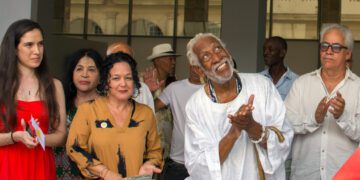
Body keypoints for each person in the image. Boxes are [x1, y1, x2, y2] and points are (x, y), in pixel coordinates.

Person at [184, 33, 293, 180]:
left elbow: (283, 140)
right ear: (198, 69)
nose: (217, 58)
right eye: (206, 56)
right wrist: (234, 132)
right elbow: (197, 166)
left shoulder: (262, 86)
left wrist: (252, 127)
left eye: (218, 49)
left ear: (227, 52)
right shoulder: (196, 106)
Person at [66, 52, 163, 179]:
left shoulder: (145, 113)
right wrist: (104, 172)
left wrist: (149, 164)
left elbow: (155, 151)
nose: (123, 84)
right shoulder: (88, 111)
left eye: (128, 78)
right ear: (106, 82)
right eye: (116, 78)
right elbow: (75, 148)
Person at [285, 23, 360, 180]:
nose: (328, 51)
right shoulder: (302, 84)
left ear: (348, 54)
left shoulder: (358, 87)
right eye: (324, 46)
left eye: (336, 47)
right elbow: (284, 124)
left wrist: (342, 117)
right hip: (305, 174)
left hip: (346, 175)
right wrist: (314, 119)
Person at [0, 19, 66, 180]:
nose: (37, 51)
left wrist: (39, 138)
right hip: (6, 165)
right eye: (29, 45)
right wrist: (15, 136)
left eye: (41, 44)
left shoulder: (54, 85)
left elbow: (61, 136)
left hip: (40, 164)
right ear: (14, 49)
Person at [55, 48, 103, 179]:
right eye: (79, 69)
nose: (85, 74)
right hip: (58, 173)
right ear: (72, 74)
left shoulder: (107, 107)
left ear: (100, 77)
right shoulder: (60, 103)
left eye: (91, 70)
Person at [155, 62, 204, 180]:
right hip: (178, 161)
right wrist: (150, 91)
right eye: (194, 65)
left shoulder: (212, 89)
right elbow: (152, 107)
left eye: (200, 65)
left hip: (204, 161)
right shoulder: (174, 88)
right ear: (189, 65)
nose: (196, 69)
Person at [143, 43, 181, 159]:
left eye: (174, 59)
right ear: (158, 60)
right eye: (170, 59)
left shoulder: (174, 83)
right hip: (149, 145)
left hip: (169, 147)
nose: (173, 62)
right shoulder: (143, 82)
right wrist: (149, 91)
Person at [106, 41, 155, 112]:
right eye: (117, 58)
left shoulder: (142, 89)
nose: (122, 62)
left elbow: (150, 120)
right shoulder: (99, 87)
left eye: (127, 59)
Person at [260, 36, 298, 100]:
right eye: (264, 49)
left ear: (282, 53)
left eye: (270, 49)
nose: (265, 53)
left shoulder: (296, 81)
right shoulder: (258, 78)